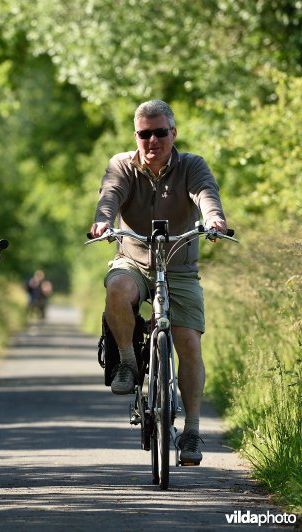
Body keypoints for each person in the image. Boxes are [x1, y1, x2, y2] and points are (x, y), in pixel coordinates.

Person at [88, 100, 228, 465]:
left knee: (189, 345)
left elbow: (206, 195)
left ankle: (193, 431)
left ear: (173, 134)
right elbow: (110, 196)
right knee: (117, 288)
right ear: (136, 135)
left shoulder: (191, 166)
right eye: (144, 134)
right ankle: (128, 361)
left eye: (160, 133)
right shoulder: (122, 165)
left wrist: (214, 219)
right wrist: (103, 220)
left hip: (179, 267)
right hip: (132, 260)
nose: (152, 141)